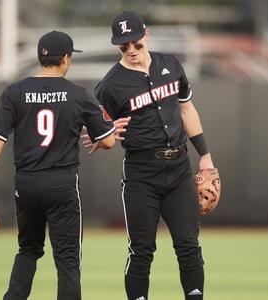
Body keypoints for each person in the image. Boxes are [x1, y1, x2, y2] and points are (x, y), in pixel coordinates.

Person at [0, 31, 117, 300]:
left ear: (40, 58)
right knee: (68, 261)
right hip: (62, 183)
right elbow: (108, 142)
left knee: (28, 250)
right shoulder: (78, 96)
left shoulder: (14, 92)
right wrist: (90, 123)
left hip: (26, 184)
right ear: (66, 59)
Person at [83, 11, 216, 300]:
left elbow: (186, 109)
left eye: (135, 43)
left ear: (146, 35)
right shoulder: (109, 85)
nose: (131, 50)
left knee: (188, 245)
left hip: (179, 168)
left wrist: (205, 156)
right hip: (142, 173)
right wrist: (102, 132)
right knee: (142, 250)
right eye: (123, 45)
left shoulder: (170, 64)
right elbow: (94, 125)